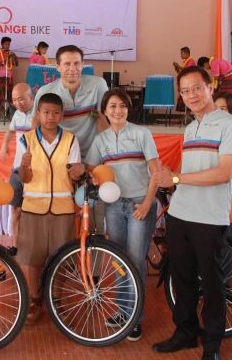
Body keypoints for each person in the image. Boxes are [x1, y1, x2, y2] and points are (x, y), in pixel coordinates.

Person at [152, 66, 232, 360]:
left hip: (210, 217)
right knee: (182, 278)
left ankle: (213, 344)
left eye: (196, 88)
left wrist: (176, 178)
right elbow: (193, 171)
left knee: (213, 283)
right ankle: (186, 332)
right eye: (184, 91)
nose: (190, 95)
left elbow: (223, 173)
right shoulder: (190, 128)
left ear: (210, 87)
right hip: (180, 214)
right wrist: (175, 182)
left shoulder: (230, 125)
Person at [85, 89, 160, 342]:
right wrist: (92, 174)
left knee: (136, 260)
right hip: (114, 206)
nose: (118, 111)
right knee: (119, 261)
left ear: (129, 109)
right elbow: (92, 167)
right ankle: (123, 311)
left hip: (140, 203)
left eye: (122, 106)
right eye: (112, 106)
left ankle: (134, 319)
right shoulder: (101, 140)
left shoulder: (142, 134)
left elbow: (156, 171)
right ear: (105, 111)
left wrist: (148, 203)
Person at [17, 93, 84, 325]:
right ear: (38, 114)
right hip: (33, 207)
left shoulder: (70, 140)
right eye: (46, 112)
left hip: (63, 208)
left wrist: (79, 171)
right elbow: (24, 178)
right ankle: (35, 300)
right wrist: (24, 167)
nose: (50, 117)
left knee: (61, 258)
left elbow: (75, 173)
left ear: (62, 115)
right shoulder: (26, 140)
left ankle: (56, 300)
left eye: (56, 113)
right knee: (33, 258)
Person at [32, 45, 109, 158]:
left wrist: (105, 153)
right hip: (59, 154)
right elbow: (36, 122)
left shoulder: (98, 85)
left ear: (83, 64)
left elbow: (102, 118)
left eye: (77, 63)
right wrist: (37, 153)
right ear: (58, 66)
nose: (72, 68)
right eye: (67, 64)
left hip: (92, 153)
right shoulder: (45, 91)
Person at [0, 83, 34, 254]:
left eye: (21, 99)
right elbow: (10, 131)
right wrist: (4, 146)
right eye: (14, 100)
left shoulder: (39, 114)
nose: (18, 103)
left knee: (34, 210)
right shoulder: (17, 115)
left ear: (31, 98)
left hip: (35, 170)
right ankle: (15, 245)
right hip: (17, 168)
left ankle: (33, 245)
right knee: (15, 207)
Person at [0, 36, 18, 110]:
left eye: (8, 44)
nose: (7, 46)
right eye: (6, 44)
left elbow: (16, 64)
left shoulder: (11, 54)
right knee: (0, 95)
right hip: (0, 76)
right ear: (2, 44)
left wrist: (14, 56)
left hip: (9, 77)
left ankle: (7, 111)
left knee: (8, 95)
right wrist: (4, 61)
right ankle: (0, 111)